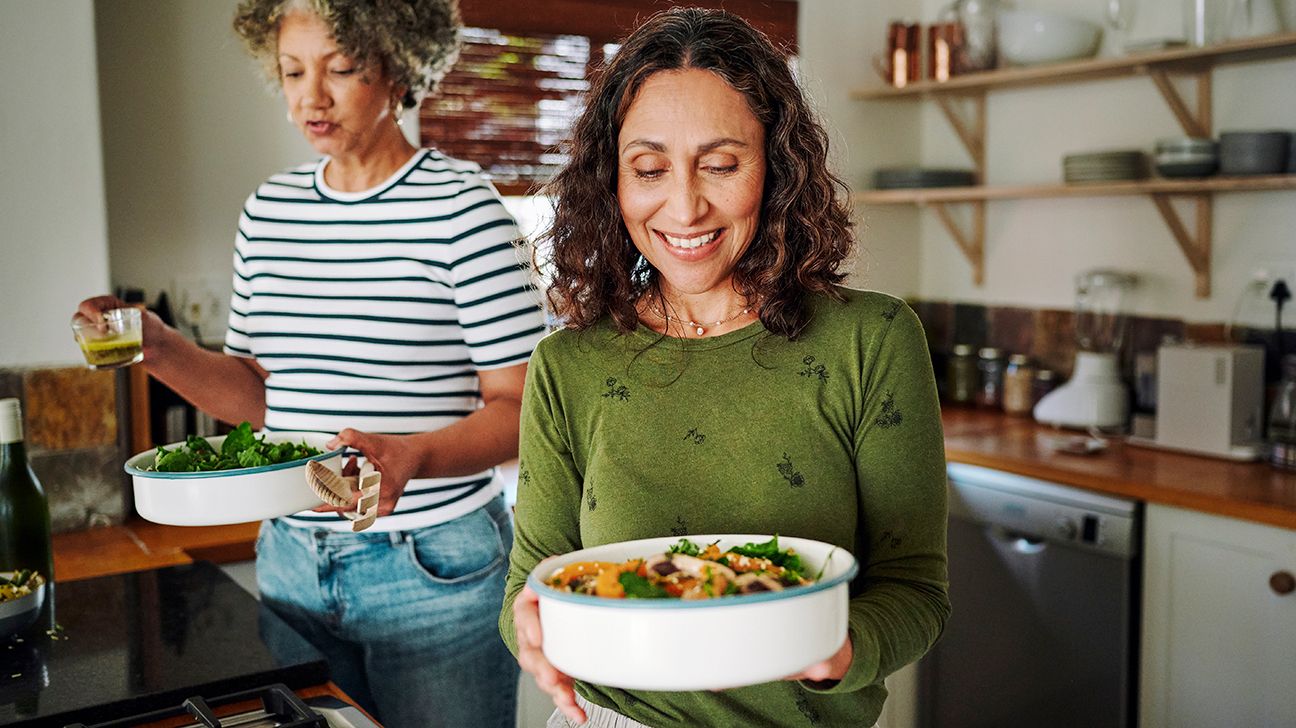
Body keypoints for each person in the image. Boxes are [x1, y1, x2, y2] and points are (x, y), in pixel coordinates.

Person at [76, 1, 540, 726]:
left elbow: (523, 412)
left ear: (398, 65)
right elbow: (262, 398)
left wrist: (410, 458)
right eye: (293, 71)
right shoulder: (269, 213)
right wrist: (158, 346)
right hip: (291, 556)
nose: (309, 97)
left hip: (430, 567)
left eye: (341, 69)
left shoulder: (464, 210)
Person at [500, 8, 950, 728]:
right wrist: (530, 631)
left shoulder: (873, 340)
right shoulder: (568, 365)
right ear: (612, 180)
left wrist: (841, 646)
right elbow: (532, 583)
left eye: (720, 164)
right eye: (649, 169)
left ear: (776, 166)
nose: (684, 206)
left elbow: (915, 590)